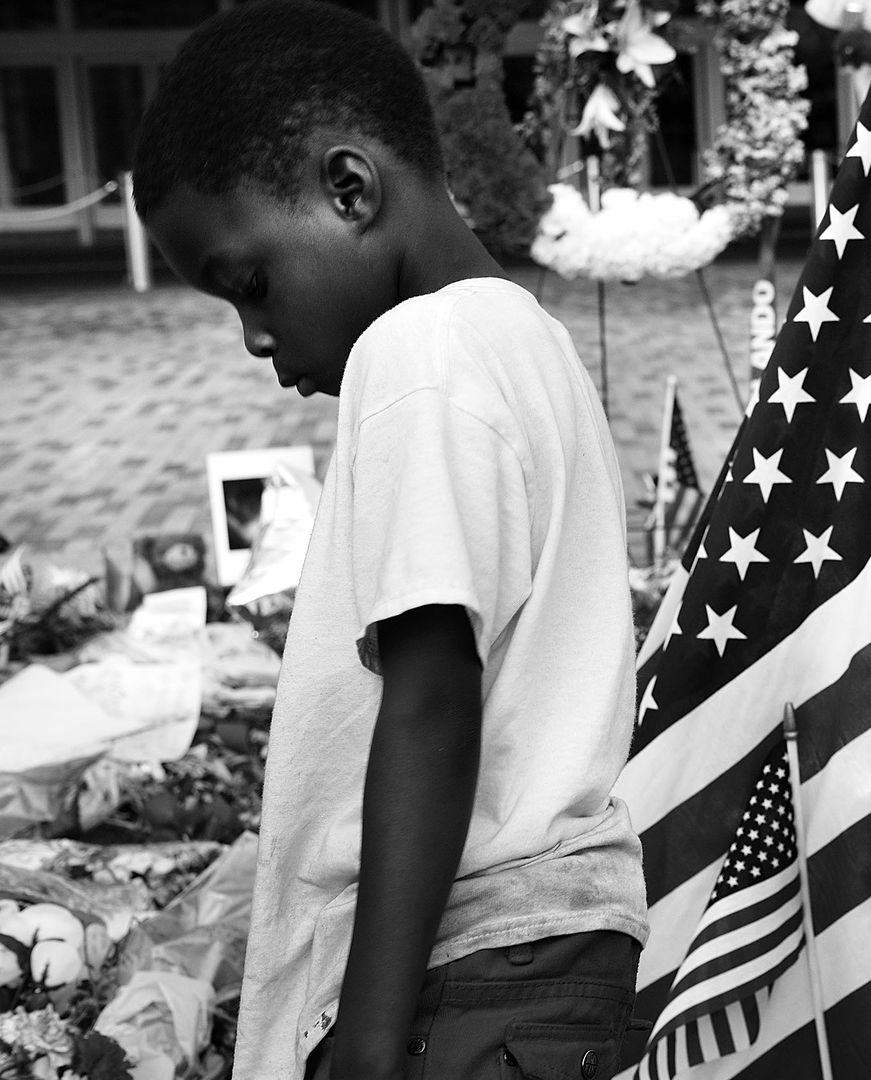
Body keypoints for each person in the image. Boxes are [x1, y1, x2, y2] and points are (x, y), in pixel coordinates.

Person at [133, 4, 648, 1077]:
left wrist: (368, 1046)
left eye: (249, 283)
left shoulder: (420, 352)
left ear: (350, 190)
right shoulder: (527, 341)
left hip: (457, 983)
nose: (257, 340)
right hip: (547, 971)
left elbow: (430, 696)